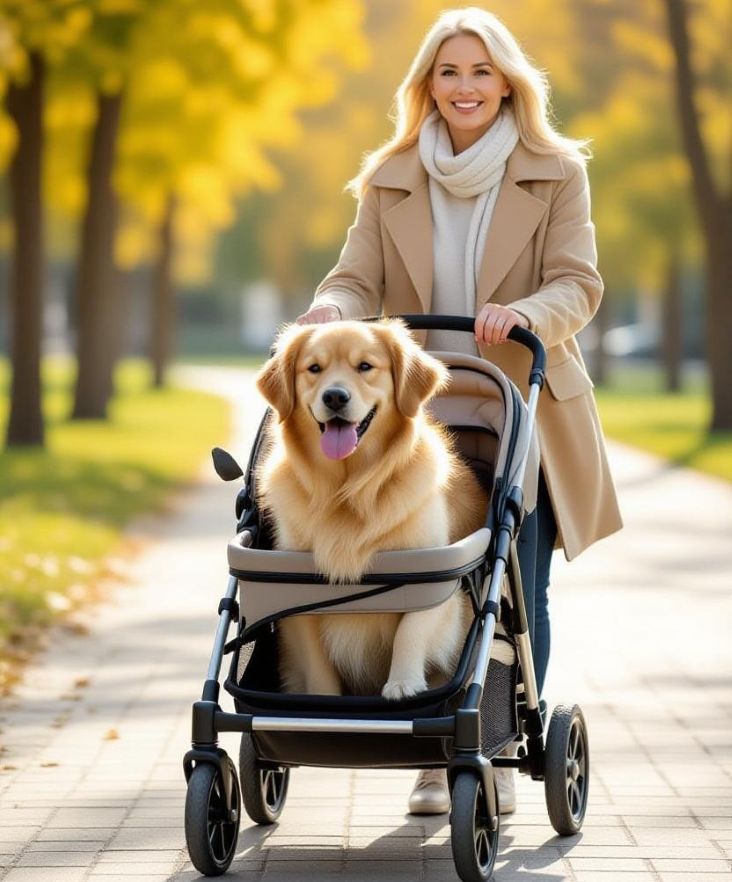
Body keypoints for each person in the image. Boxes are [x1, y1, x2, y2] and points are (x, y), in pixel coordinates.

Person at [296, 6, 622, 816]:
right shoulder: (392, 174)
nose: (465, 86)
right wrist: (331, 309)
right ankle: (428, 750)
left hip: (521, 406)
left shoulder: (555, 170)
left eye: (481, 71)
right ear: (428, 86)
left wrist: (526, 313)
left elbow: (579, 283)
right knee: (413, 578)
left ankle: (497, 748)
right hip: (412, 412)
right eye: (449, 72)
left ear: (507, 82)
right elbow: (355, 276)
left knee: (514, 590)